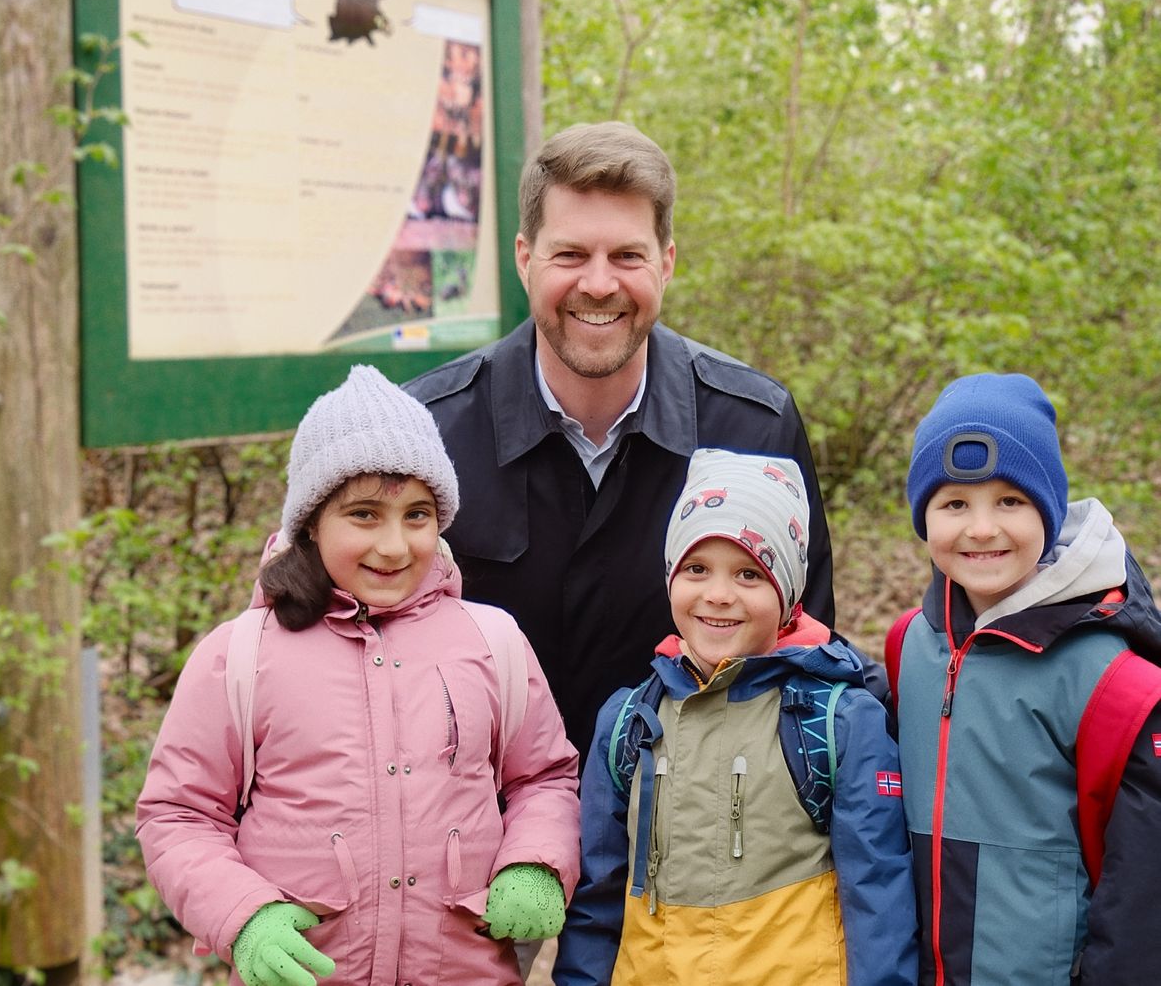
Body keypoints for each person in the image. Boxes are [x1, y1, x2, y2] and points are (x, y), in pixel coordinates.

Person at [137, 365, 581, 986]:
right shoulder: (239, 654)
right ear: (312, 523)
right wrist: (244, 916)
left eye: (418, 515)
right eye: (365, 515)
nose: (395, 546)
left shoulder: (493, 641)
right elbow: (178, 814)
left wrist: (535, 862)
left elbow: (545, 778)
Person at [406, 120, 834, 759]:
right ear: (526, 259)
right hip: (479, 834)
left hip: (693, 835)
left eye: (627, 256)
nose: (599, 284)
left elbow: (809, 656)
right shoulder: (428, 430)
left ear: (666, 262)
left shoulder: (754, 425)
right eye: (570, 255)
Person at [554, 450, 918, 986]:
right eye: (697, 569)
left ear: (788, 595)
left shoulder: (838, 722)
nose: (718, 595)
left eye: (749, 573)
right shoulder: (628, 720)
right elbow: (597, 899)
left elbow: (878, 893)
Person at [892, 372, 1161, 986]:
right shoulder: (910, 644)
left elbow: (1143, 892)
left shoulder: (1111, 679)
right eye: (954, 504)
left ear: (1048, 508)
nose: (982, 529)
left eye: (1010, 501)